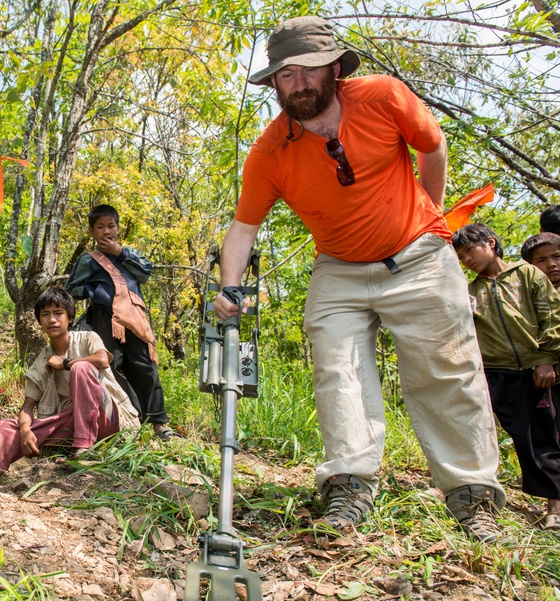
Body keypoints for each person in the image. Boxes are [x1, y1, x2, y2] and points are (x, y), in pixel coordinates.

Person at [212, 16, 506, 542]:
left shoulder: (382, 97)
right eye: (286, 75)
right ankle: (349, 487)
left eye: (309, 70)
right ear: (274, 83)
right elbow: (243, 227)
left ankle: (472, 495)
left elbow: (432, 146)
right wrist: (228, 287)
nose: (299, 83)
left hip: (419, 255)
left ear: (335, 69)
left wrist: (431, 217)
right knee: (337, 371)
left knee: (446, 370)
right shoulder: (271, 150)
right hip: (339, 269)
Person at [0, 287, 139, 484]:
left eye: (58, 313)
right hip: (71, 421)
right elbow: (27, 406)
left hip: (106, 418)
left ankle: (84, 449)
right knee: (6, 428)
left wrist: (65, 363)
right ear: (40, 321)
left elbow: (102, 360)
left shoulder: (87, 338)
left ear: (70, 318)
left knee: (80, 368)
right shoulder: (41, 363)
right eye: (45, 314)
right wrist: (25, 430)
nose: (52, 319)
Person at [454, 224, 560, 530]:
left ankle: (555, 506)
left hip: (532, 370)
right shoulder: (470, 291)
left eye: (470, 251)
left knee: (541, 436)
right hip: (494, 372)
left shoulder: (527, 274)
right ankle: (473, 491)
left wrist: (545, 358)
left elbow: (551, 315)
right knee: (489, 433)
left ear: (490, 243)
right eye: (461, 257)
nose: (467, 260)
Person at [65, 204, 178, 441]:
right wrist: (94, 291)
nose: (106, 231)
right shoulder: (88, 259)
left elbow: (145, 273)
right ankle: (129, 420)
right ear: (91, 231)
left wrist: (120, 253)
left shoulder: (130, 254)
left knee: (144, 366)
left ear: (118, 228)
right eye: (100, 227)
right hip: (103, 318)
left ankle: (158, 424)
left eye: (111, 226)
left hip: (134, 318)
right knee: (111, 365)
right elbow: (72, 289)